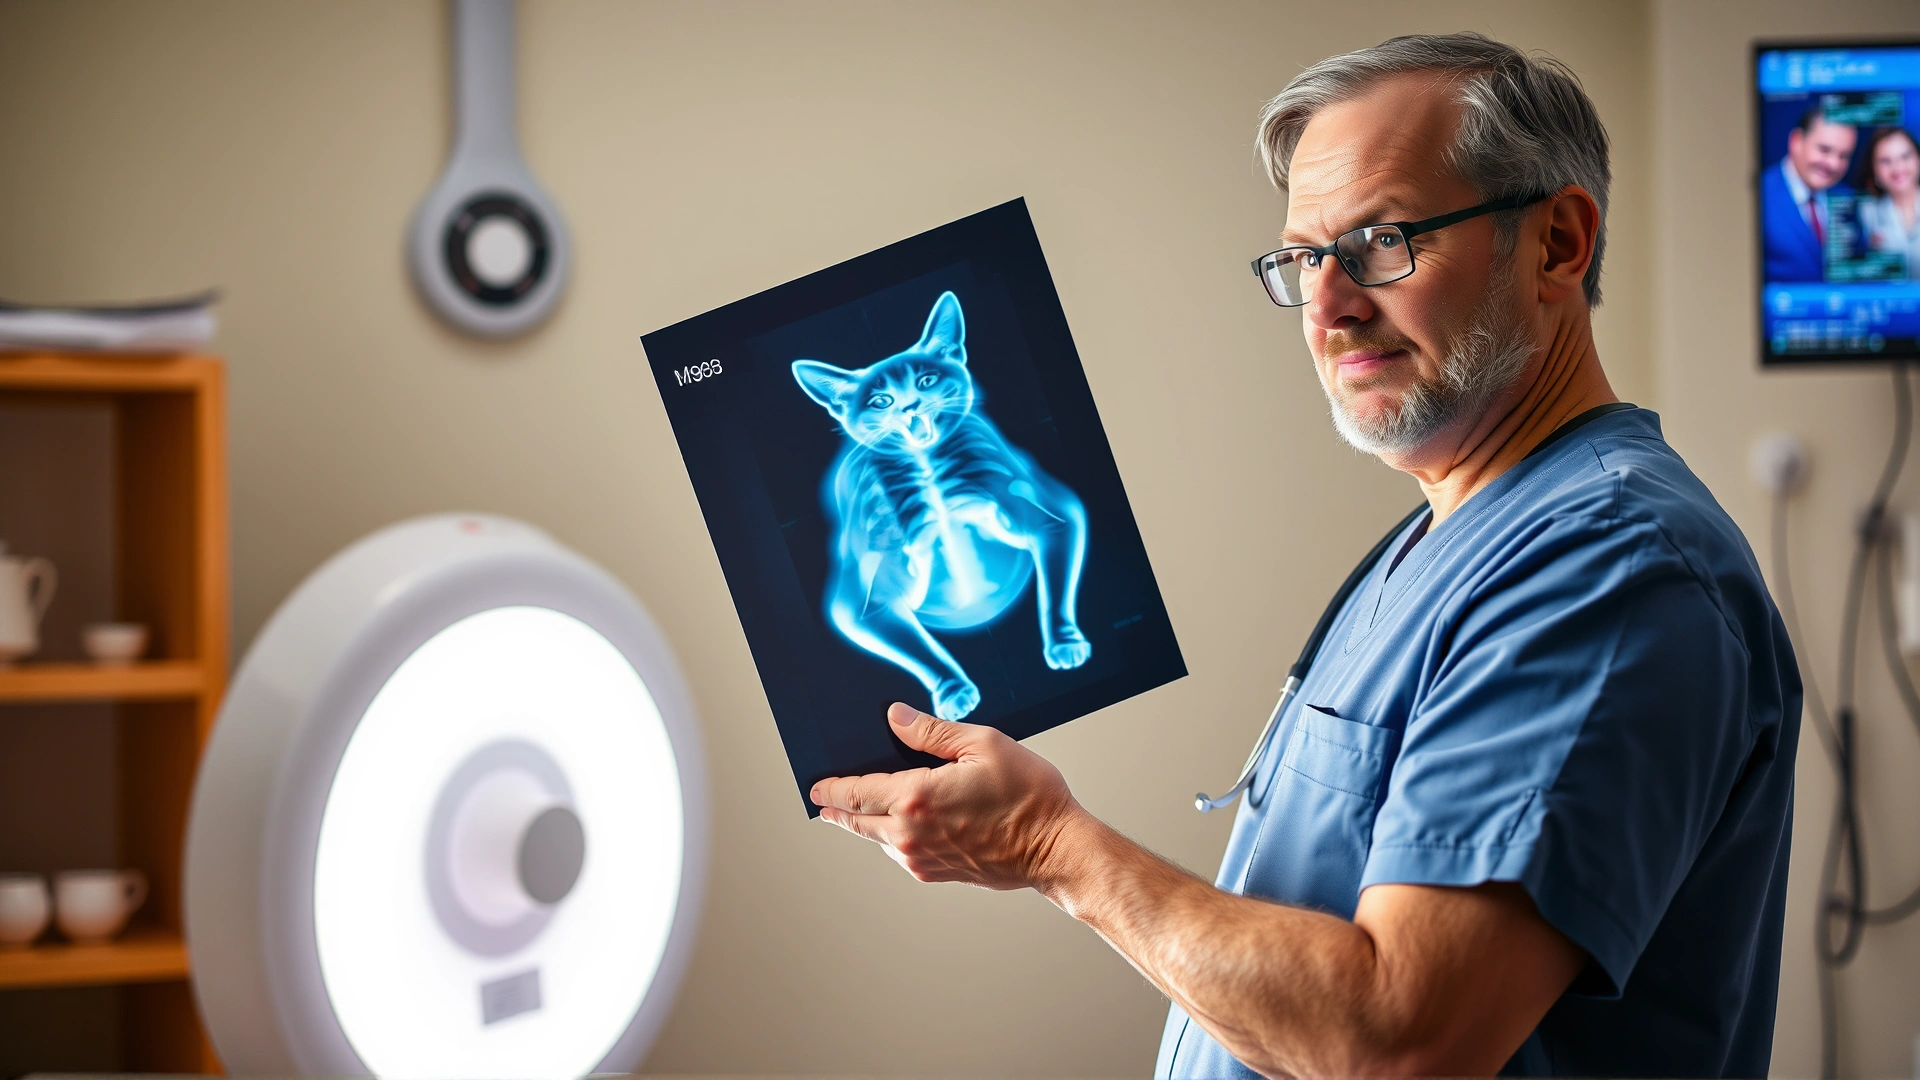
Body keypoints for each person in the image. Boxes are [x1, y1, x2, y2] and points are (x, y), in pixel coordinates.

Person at [809, 32, 1800, 1078]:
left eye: (1382, 240)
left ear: (1557, 243)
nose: (1326, 306)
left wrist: (1055, 851)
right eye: (1300, 259)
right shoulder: (1449, 536)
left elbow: (1402, 1037)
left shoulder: (1607, 569)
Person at [1762, 105, 1858, 282]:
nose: (1834, 164)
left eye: (1844, 155)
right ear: (1796, 141)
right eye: (1825, 150)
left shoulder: (1849, 200)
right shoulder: (1760, 195)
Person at [1858, 126, 1920, 280]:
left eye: (1905, 157)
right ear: (1873, 169)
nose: (1898, 168)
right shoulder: (1864, 212)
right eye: (1885, 161)